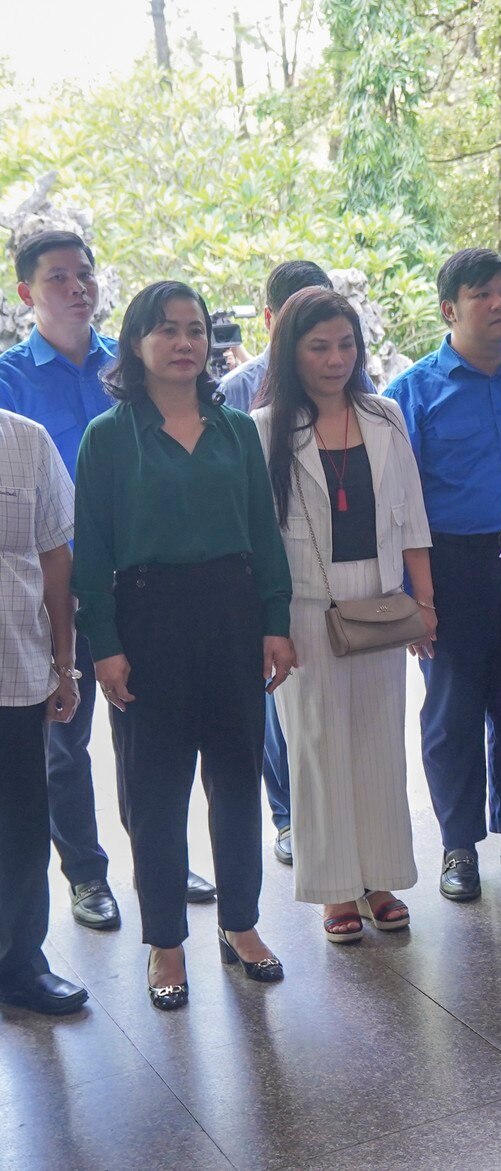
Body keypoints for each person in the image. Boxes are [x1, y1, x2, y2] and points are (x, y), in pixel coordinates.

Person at [72, 280, 297, 1010]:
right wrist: (103, 644)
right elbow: (91, 554)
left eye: (195, 329)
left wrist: (276, 620)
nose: (183, 342)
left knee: (237, 782)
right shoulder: (108, 436)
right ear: (135, 343)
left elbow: (264, 535)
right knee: (158, 793)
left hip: (233, 614)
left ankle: (241, 925)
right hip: (149, 621)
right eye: (166, 329)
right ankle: (165, 940)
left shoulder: (235, 430)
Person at [0, 230, 215, 929]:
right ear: (28, 293)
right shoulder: (9, 380)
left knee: (151, 731)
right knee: (66, 734)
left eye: (84, 274)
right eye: (58, 278)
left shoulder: (127, 365)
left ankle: (162, 858)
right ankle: (86, 874)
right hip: (53, 584)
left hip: (141, 584)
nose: (77, 288)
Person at [254, 288, 433, 943]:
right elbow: (260, 537)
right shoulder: (266, 427)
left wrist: (427, 601)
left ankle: (379, 877)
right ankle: (334, 890)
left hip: (382, 600)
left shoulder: (384, 415)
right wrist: (269, 626)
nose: (335, 359)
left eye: (345, 345)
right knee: (319, 746)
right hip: (304, 607)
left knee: (379, 741)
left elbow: (412, 515)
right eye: (319, 346)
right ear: (291, 349)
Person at [386, 249, 501, 902]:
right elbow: (397, 508)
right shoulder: (411, 394)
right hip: (449, 569)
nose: (499, 303)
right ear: (448, 309)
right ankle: (458, 846)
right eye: (481, 294)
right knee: (452, 713)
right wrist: (415, 600)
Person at [217, 258, 346, 870]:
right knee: (282, 705)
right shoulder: (240, 394)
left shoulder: (365, 402)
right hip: (269, 576)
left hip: (344, 576)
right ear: (272, 322)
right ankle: (289, 816)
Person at [0, 407, 89, 1016]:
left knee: (23, 829)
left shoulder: (25, 440)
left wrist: (65, 665)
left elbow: (57, 557)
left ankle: (22, 963)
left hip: (15, 669)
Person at [216, 260, 339, 411]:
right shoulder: (236, 390)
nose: (307, 335)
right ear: (268, 318)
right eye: (293, 324)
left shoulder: (349, 379)